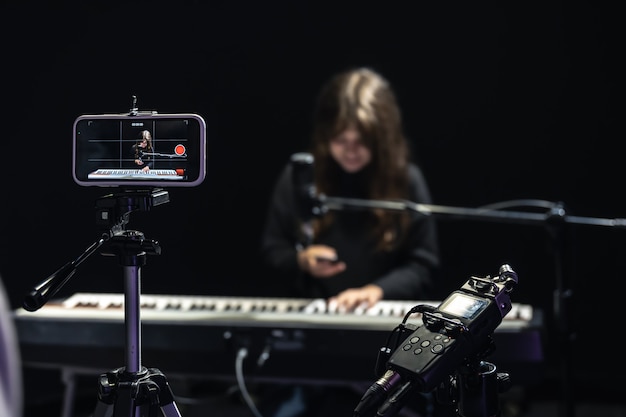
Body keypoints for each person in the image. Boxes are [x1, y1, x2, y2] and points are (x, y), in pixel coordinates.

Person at [257, 67, 441, 417]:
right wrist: (301, 260)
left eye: (362, 142)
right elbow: (273, 249)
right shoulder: (300, 179)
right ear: (325, 135)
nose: (350, 151)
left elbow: (422, 263)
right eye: (340, 140)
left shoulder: (406, 181)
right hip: (312, 337)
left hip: (388, 337)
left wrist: (376, 291)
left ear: (382, 138)